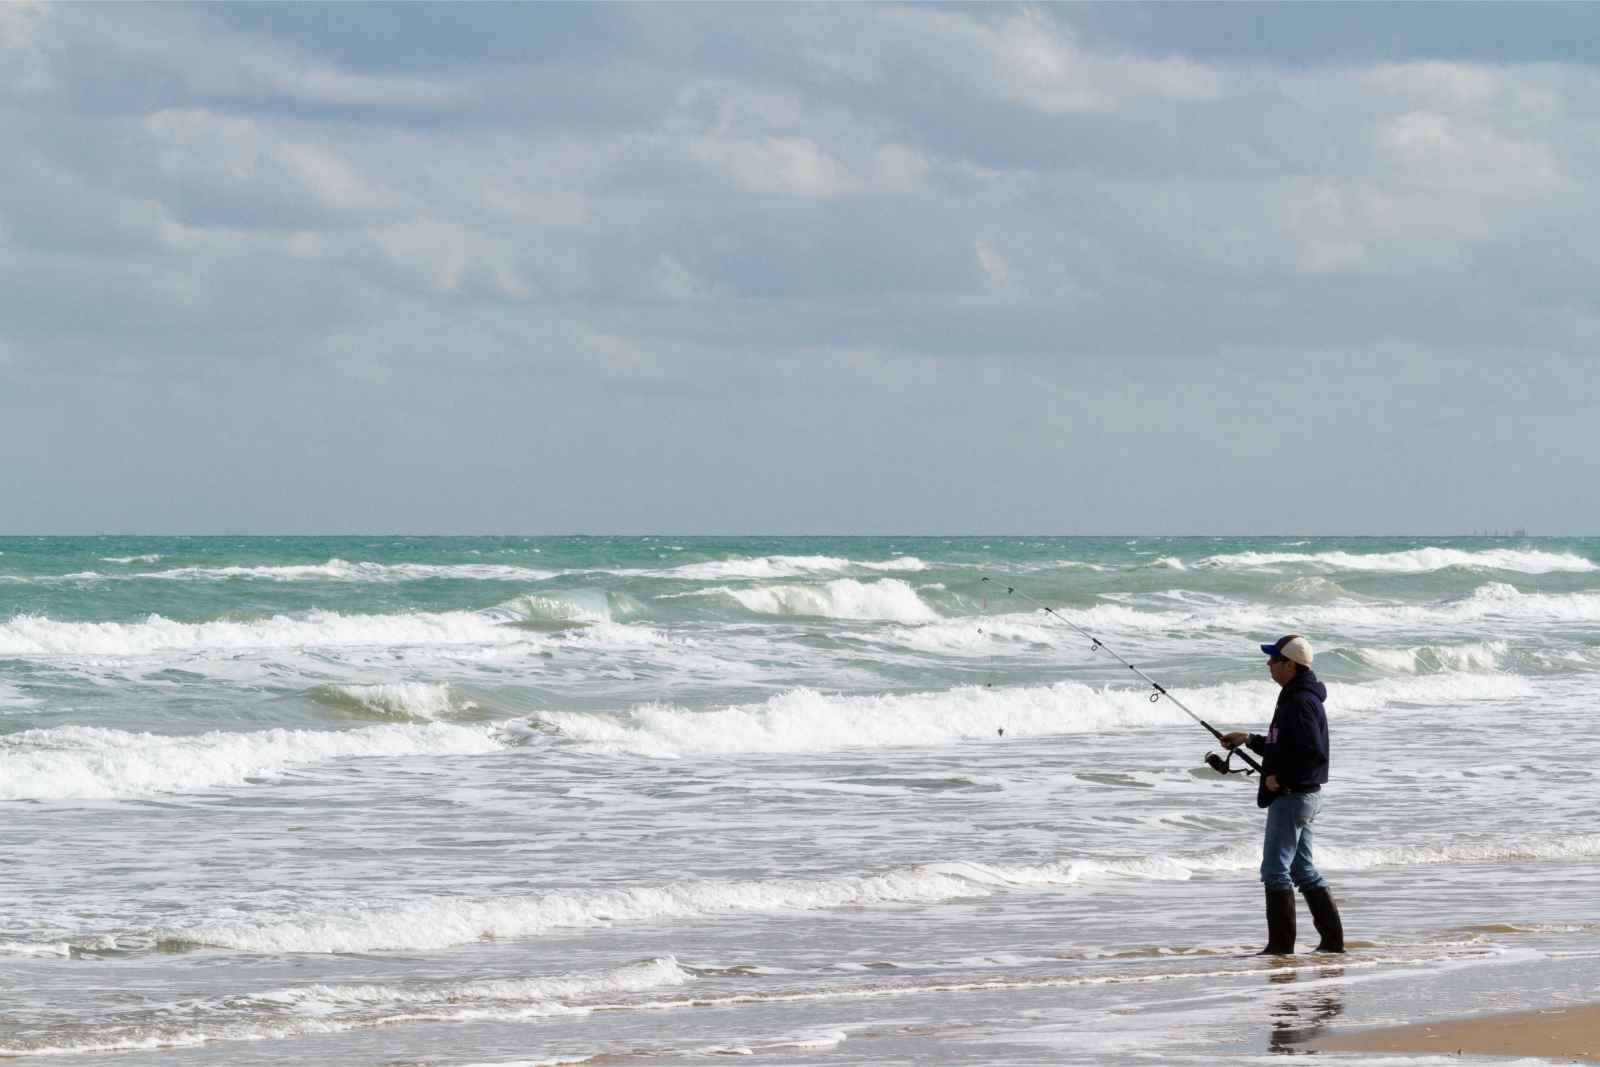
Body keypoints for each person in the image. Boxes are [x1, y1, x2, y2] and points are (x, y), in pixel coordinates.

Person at [1220, 634, 1345, 955]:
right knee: (1302, 869)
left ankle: (1280, 948)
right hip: (1304, 795)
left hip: (1293, 795)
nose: (1268, 664)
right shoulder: (1298, 696)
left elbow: (1312, 752)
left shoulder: (1300, 701)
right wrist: (1248, 739)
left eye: (1273, 659)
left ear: (1290, 664)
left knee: (1275, 870)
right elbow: (1284, 745)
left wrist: (1280, 778)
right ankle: (1331, 943)